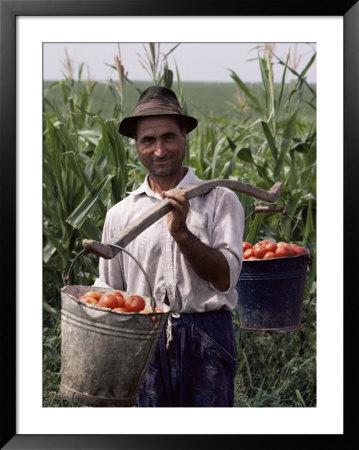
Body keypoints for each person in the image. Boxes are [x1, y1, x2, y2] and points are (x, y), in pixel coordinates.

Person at [96, 86, 244, 407]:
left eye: (168, 137)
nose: (159, 150)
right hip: (142, 340)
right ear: (137, 146)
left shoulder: (219, 200)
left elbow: (224, 279)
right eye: (148, 140)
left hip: (207, 338)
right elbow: (112, 292)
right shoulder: (121, 215)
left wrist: (182, 233)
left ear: (185, 137)